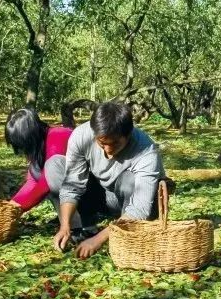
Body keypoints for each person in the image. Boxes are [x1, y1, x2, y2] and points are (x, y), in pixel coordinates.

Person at [49, 101, 166, 259]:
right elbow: (72, 186)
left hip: (129, 203)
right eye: (102, 143)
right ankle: (81, 229)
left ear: (129, 134)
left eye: (115, 143)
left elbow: (140, 208)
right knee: (54, 164)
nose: (108, 150)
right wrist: (64, 225)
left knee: (129, 179)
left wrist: (97, 240)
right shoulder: (81, 136)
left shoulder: (146, 151)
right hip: (101, 194)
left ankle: (125, 238)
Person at [4, 108, 73, 212]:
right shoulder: (39, 146)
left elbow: (45, 183)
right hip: (74, 190)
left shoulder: (57, 136)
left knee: (52, 172)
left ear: (29, 138)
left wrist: (19, 207)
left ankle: (77, 225)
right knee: (35, 170)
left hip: (92, 189)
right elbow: (32, 181)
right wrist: (12, 205)